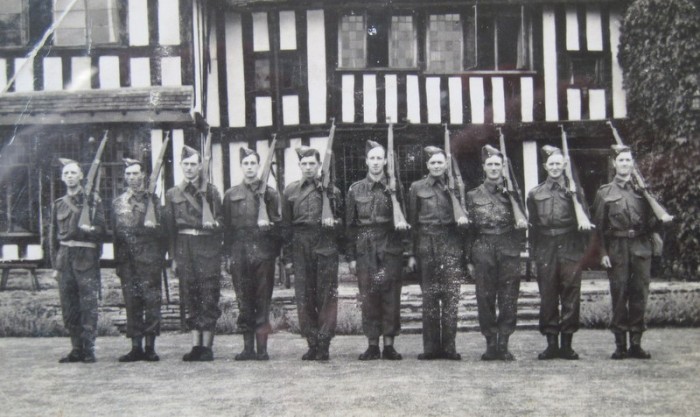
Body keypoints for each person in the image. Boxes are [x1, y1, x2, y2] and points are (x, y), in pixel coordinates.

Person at [592, 145, 658, 359]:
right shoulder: (605, 193)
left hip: (640, 247)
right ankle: (620, 345)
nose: (625, 164)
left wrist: (651, 202)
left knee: (639, 295)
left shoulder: (642, 191)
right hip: (617, 248)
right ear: (614, 163)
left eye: (628, 160)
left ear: (632, 164)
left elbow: (652, 222)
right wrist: (602, 253)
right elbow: (599, 228)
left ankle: (636, 344)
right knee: (619, 296)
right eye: (621, 160)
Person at [526, 146, 591, 360]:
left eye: (558, 164)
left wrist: (582, 252)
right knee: (548, 295)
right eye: (551, 164)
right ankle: (551, 344)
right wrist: (534, 256)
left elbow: (585, 223)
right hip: (545, 246)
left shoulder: (575, 191)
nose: (555, 167)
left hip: (570, 245)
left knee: (571, 295)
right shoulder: (535, 194)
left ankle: (567, 345)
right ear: (545, 166)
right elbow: (533, 226)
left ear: (564, 165)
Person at [346, 140, 407, 361]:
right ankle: (372, 344)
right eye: (371, 158)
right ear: (366, 162)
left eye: (379, 158)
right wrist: (351, 257)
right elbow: (350, 227)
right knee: (369, 296)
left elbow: (404, 223)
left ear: (385, 161)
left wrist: (406, 253)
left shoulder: (395, 188)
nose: (375, 162)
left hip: (390, 248)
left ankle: (389, 344)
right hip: (365, 249)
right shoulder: (355, 190)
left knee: (391, 296)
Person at [466, 145, 527, 361]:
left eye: (497, 165)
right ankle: (490, 343)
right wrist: (469, 259)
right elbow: (469, 230)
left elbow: (523, 223)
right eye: (490, 164)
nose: (493, 168)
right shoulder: (472, 195)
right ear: (484, 167)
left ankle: (504, 343)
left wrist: (511, 196)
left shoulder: (513, 193)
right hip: (483, 246)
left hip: (508, 246)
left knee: (509, 297)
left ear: (503, 168)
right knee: (485, 297)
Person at [281, 146, 342, 361]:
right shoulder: (290, 191)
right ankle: (312, 342)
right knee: (304, 296)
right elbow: (286, 228)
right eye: (304, 164)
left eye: (312, 164)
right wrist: (287, 259)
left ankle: (324, 343)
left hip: (325, 243)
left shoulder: (332, 191)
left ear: (318, 166)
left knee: (326, 295)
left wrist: (333, 222)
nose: (308, 167)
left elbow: (342, 225)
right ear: (299, 166)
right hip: (300, 244)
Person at [407, 146, 467, 360]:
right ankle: (431, 348)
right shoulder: (416, 188)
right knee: (430, 298)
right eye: (432, 163)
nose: (436, 166)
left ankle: (449, 348)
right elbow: (413, 222)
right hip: (426, 245)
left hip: (450, 245)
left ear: (446, 165)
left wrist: (464, 254)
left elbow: (464, 223)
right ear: (427, 166)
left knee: (451, 299)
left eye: (440, 162)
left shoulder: (456, 187)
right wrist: (411, 254)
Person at [164, 145, 223, 362]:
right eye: (186, 164)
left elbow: (222, 221)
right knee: (189, 295)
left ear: (200, 166)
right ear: (181, 166)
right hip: (184, 247)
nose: (189, 168)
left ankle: (207, 347)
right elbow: (169, 229)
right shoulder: (172, 194)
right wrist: (172, 258)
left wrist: (214, 224)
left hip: (207, 246)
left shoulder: (211, 191)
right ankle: (195, 345)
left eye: (193, 164)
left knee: (208, 295)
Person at [223, 147, 281, 361]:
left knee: (263, 300)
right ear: (241, 167)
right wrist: (228, 256)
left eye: (253, 163)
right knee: (243, 300)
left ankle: (262, 349)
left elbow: (279, 226)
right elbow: (227, 228)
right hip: (240, 251)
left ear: (258, 166)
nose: (249, 167)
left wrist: (269, 231)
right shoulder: (231, 195)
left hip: (263, 251)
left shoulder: (270, 193)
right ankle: (247, 348)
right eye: (245, 163)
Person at [50, 158, 105, 363]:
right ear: (62, 178)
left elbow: (103, 230)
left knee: (88, 305)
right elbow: (52, 237)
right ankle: (76, 348)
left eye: (73, 173)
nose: (70, 176)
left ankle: (89, 349)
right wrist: (55, 265)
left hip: (86, 258)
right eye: (66, 174)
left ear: (81, 176)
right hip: (65, 259)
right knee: (69, 306)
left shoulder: (92, 201)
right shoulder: (58, 204)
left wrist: (91, 231)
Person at [111, 158, 165, 362]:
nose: (132, 178)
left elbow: (164, 232)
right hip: (127, 260)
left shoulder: (153, 201)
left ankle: (150, 347)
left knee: (151, 302)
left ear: (143, 175)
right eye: (128, 174)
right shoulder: (118, 202)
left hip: (149, 258)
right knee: (132, 303)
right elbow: (115, 235)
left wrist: (159, 258)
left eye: (136, 173)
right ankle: (135, 347)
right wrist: (118, 262)